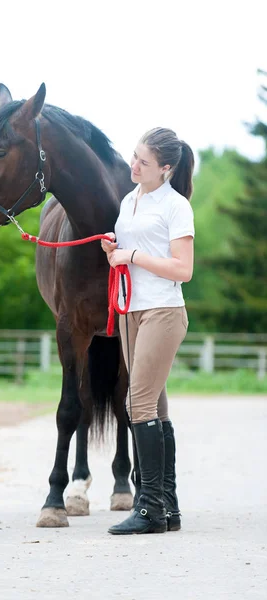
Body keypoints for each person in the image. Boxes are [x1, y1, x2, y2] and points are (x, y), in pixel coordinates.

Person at [101, 127, 195, 535]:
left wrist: (134, 254)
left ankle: (149, 508)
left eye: (143, 162)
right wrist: (113, 251)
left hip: (163, 310)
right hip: (131, 311)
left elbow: (183, 270)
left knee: (137, 403)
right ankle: (168, 507)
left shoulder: (176, 207)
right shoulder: (129, 201)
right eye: (134, 156)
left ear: (166, 168)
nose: (133, 165)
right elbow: (127, 252)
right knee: (155, 406)